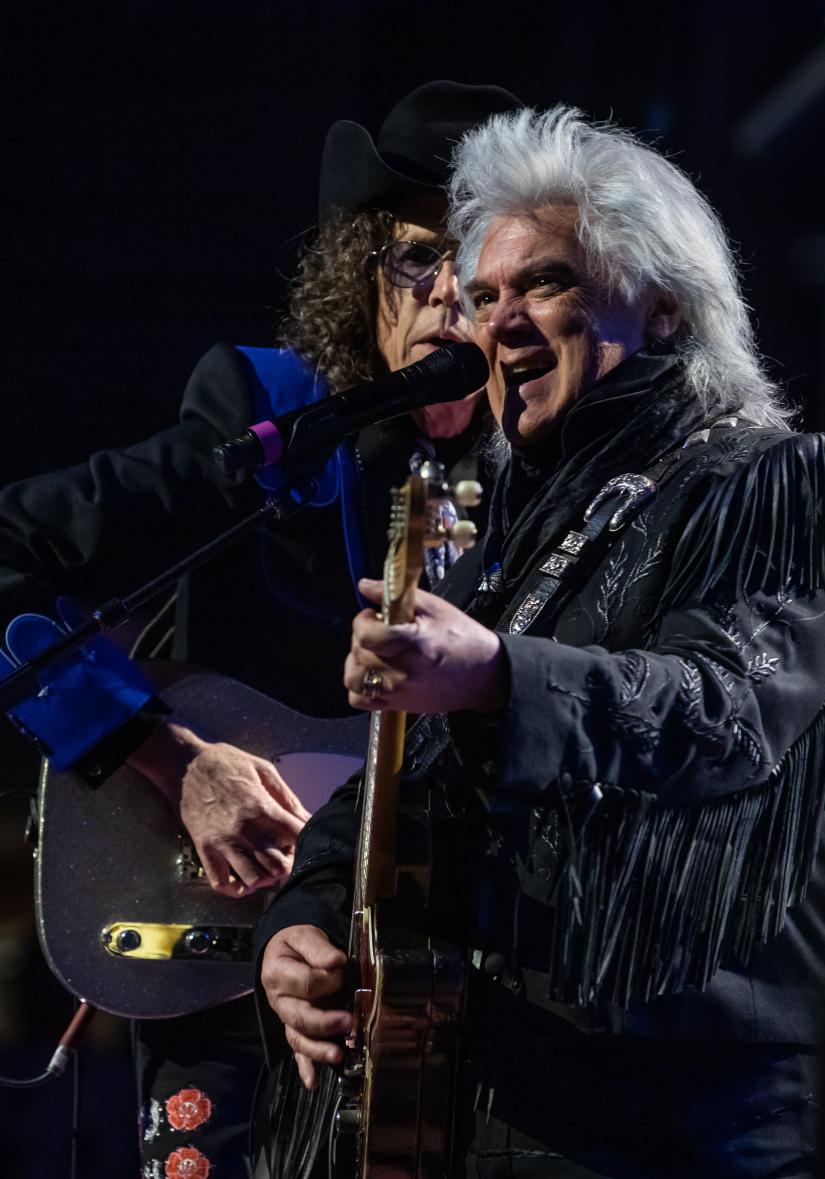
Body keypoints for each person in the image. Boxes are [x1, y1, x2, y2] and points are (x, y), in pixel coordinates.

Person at [256, 106, 825, 1178]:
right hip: (509, 1087)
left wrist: (499, 675)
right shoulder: (511, 533)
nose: (495, 323)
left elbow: (722, 714)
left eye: (544, 283)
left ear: (662, 303)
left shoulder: (786, 480)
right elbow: (394, 793)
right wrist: (302, 921)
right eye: (484, 294)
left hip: (707, 1114)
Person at [0, 80, 521, 1177]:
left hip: (473, 1009)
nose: (447, 298)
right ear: (364, 272)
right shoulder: (271, 414)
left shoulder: (565, 483)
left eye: (480, 266)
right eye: (417, 258)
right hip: (225, 971)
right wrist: (167, 755)